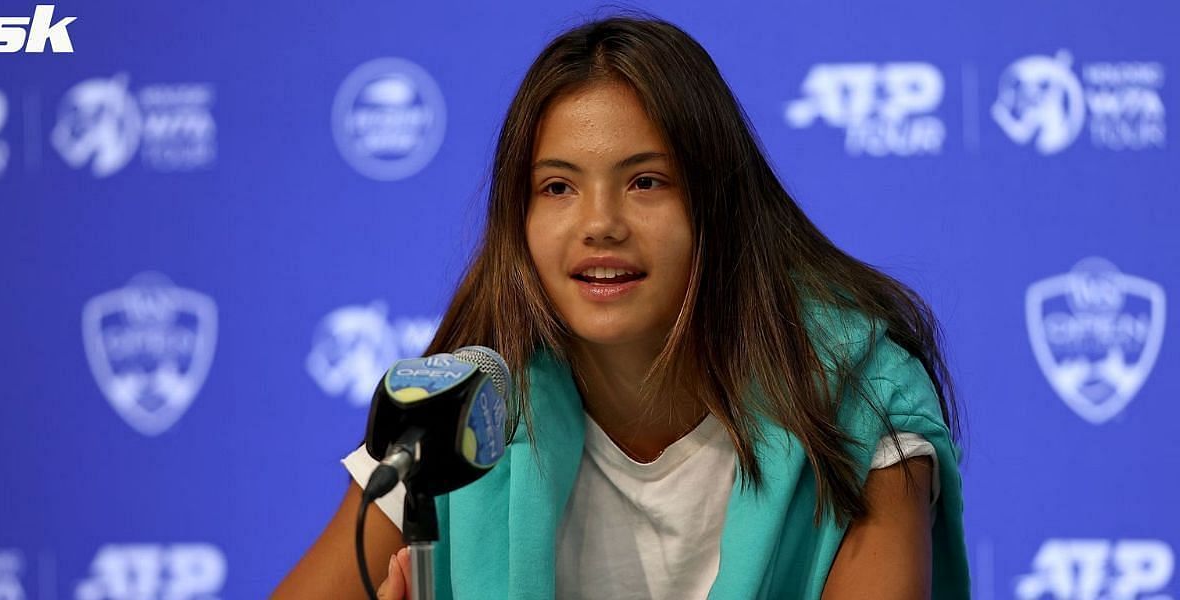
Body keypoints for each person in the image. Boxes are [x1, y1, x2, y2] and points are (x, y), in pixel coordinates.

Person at [275, 13, 968, 600]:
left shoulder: (858, 400)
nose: (599, 223)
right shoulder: (459, 411)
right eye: (557, 188)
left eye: (645, 181)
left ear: (717, 205)